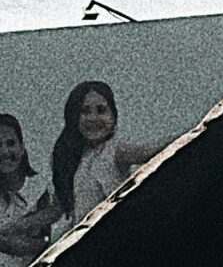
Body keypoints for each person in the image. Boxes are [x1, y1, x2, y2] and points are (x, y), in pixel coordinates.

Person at [50, 83, 159, 239]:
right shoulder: (75, 159)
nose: (93, 118)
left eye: (101, 110)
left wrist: (190, 134)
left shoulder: (116, 150)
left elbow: (148, 151)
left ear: (113, 116)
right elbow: (58, 209)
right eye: (85, 111)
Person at [0, 115, 52, 267]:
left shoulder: (40, 187)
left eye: (11, 143)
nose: (4, 151)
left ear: (22, 147)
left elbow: (49, 243)